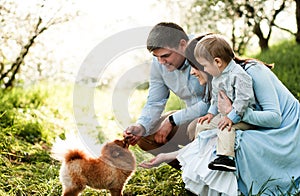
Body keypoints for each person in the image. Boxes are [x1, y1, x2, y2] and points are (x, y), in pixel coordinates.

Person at [140, 34, 300, 195]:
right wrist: (167, 156)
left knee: (231, 139)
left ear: (216, 63)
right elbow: (208, 122)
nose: (193, 73)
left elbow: (275, 118)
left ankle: (227, 188)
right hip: (258, 124)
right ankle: (202, 181)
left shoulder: (252, 71)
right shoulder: (221, 80)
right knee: (211, 131)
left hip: (286, 132)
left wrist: (231, 113)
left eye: (196, 66)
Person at [123, 22, 211, 168]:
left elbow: (212, 101)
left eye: (165, 56)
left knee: (198, 127)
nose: (161, 62)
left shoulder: (203, 50)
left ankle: (209, 173)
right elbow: (155, 101)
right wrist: (141, 126)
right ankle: (190, 173)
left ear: (183, 44)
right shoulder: (158, 64)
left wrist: (172, 120)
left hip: (216, 117)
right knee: (145, 136)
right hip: (190, 117)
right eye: (156, 56)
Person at [194, 34, 257, 172]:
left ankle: (226, 158)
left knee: (225, 127)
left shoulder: (239, 75)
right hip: (225, 115)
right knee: (202, 124)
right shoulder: (217, 77)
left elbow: (243, 100)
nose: (204, 70)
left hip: (244, 117)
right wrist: (211, 113)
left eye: (204, 65)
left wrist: (231, 117)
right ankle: (198, 151)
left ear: (217, 62)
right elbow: (215, 98)